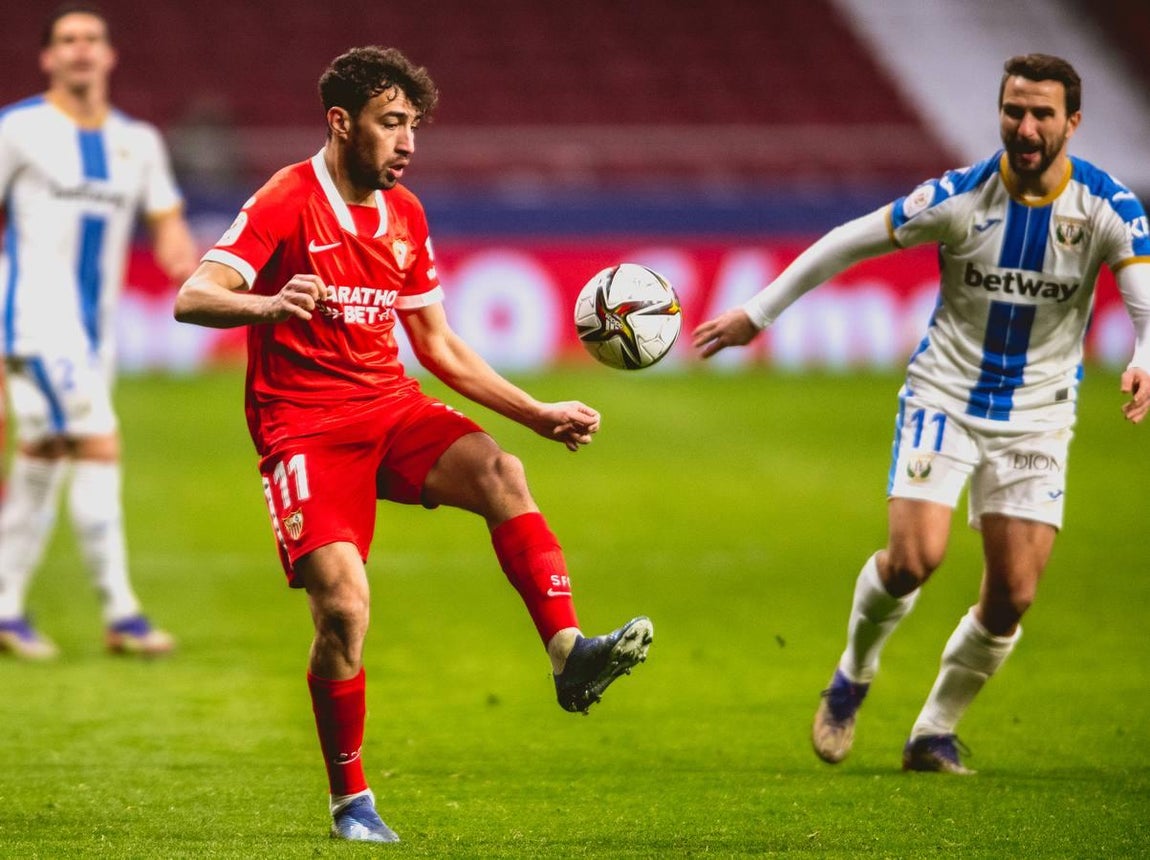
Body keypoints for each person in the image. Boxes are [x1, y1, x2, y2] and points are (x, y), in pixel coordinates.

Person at [173, 45, 653, 843]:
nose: (408, 142)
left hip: (389, 409)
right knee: (343, 615)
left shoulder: (406, 216)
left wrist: (535, 412)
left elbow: (436, 343)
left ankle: (568, 652)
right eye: (392, 123)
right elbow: (195, 296)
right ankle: (351, 800)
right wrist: (267, 305)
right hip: (305, 432)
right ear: (341, 122)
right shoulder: (287, 199)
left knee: (503, 469)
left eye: (413, 126)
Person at [694, 53, 1149, 775]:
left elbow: (1141, 290)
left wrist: (1145, 354)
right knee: (914, 559)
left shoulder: (1107, 207)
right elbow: (850, 239)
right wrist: (759, 311)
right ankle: (852, 676)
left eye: (1042, 114)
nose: (1025, 127)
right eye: (1014, 111)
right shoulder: (958, 196)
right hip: (944, 393)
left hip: (1037, 415)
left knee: (1014, 596)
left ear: (1073, 123)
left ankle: (932, 732)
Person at [0, 3, 198, 659]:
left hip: (93, 334)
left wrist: (182, 256)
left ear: (109, 56)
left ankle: (4, 608)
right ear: (47, 58)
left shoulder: (136, 141)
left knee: (47, 456)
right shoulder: (17, 130)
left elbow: (166, 217)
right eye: (67, 40)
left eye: (91, 39)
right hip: (32, 322)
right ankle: (122, 613)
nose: (80, 49)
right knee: (97, 442)